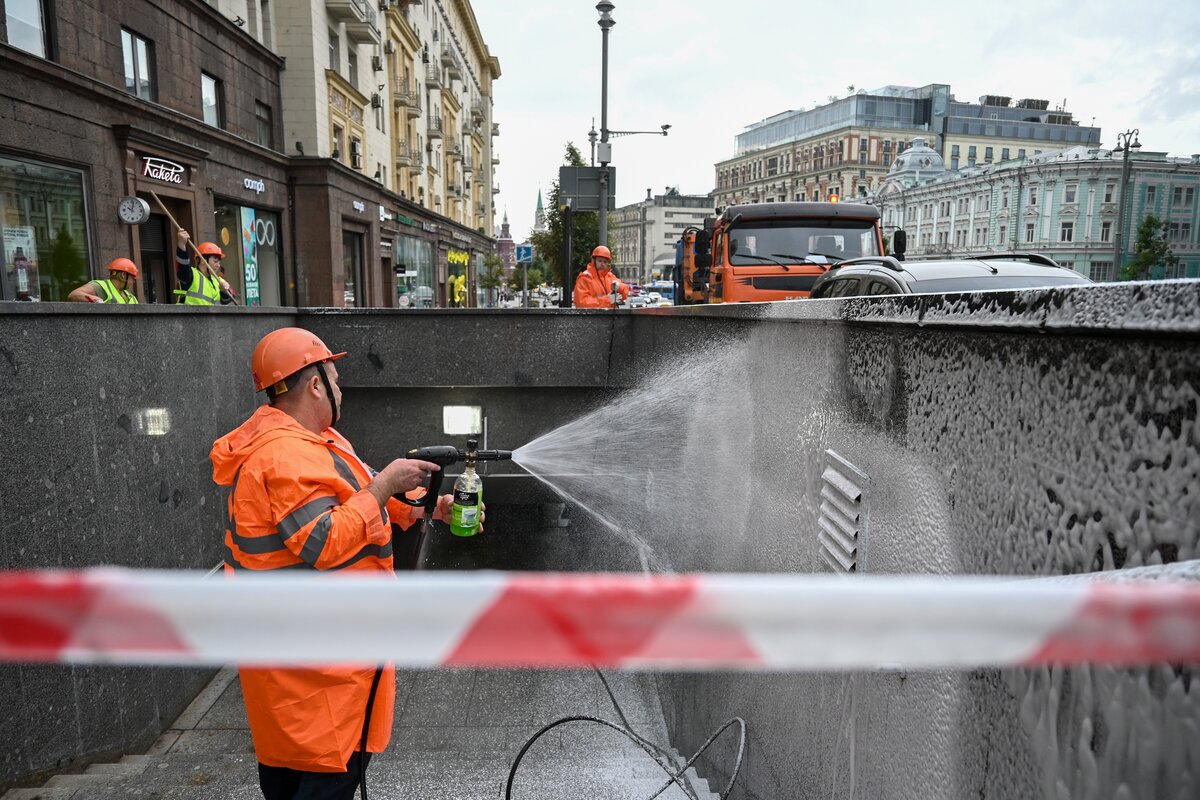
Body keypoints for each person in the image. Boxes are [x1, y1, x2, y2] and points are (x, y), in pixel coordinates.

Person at [210, 327, 454, 800]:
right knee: (319, 782)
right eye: (336, 378)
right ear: (315, 384)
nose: (341, 389)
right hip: (314, 672)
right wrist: (384, 485)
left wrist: (426, 507)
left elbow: (347, 498)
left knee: (292, 776)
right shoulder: (285, 455)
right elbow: (323, 540)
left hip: (306, 660)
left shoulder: (312, 442)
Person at [175, 229, 235, 305]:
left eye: (219, 262)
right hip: (189, 316)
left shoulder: (217, 281)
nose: (218, 265)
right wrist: (181, 245)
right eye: (215, 261)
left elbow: (227, 304)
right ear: (202, 260)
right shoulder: (191, 275)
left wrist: (225, 292)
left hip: (210, 317)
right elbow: (183, 267)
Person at [67, 258, 140, 304]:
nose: (134, 281)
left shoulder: (132, 298)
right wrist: (97, 300)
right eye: (133, 278)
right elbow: (74, 295)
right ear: (123, 275)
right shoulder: (101, 287)